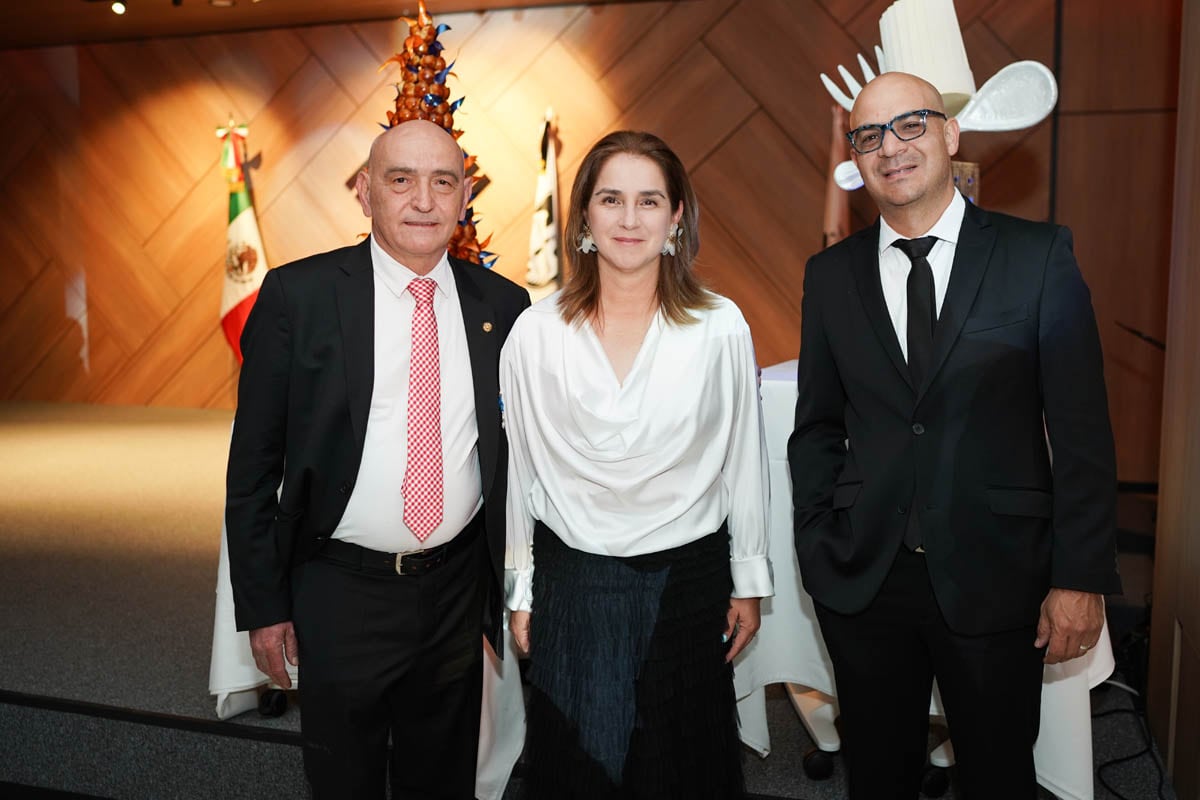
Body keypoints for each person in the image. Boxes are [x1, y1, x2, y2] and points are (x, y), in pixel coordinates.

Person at [788, 71, 1122, 799]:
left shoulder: (1037, 257)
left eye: (910, 124)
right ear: (856, 156)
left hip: (998, 574)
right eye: (869, 134)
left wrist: (1079, 575)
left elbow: (1083, 431)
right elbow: (815, 425)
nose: (891, 147)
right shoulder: (830, 276)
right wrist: (818, 540)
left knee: (1000, 777)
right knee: (877, 777)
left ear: (950, 135)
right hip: (865, 578)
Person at [224, 119, 530, 800]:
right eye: (401, 179)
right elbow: (251, 470)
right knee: (344, 781)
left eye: (443, 181)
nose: (423, 200)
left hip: (455, 592)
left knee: (443, 778)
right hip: (339, 591)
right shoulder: (297, 299)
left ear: (464, 195)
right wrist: (264, 605)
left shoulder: (504, 307)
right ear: (365, 192)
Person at [500, 130, 773, 799]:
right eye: (611, 199)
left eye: (649, 201)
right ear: (584, 217)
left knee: (676, 768)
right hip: (575, 585)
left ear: (676, 216)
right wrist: (520, 590)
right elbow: (522, 476)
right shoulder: (536, 332)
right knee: (579, 768)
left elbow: (744, 462)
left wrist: (749, 581)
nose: (629, 219)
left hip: (686, 583)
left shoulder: (720, 327)